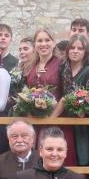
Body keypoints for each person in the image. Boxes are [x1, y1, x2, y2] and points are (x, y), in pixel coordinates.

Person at [25, 28, 76, 165]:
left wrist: (51, 118)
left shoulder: (62, 64)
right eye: (39, 41)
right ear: (35, 44)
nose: (43, 44)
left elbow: (68, 95)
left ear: (53, 43)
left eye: (47, 40)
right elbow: (26, 93)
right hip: (35, 121)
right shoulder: (30, 65)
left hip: (57, 121)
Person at [52, 34, 89, 166]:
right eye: (72, 47)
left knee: (83, 159)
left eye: (80, 48)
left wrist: (84, 110)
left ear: (85, 52)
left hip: (83, 125)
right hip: (64, 120)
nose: (75, 51)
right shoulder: (63, 69)